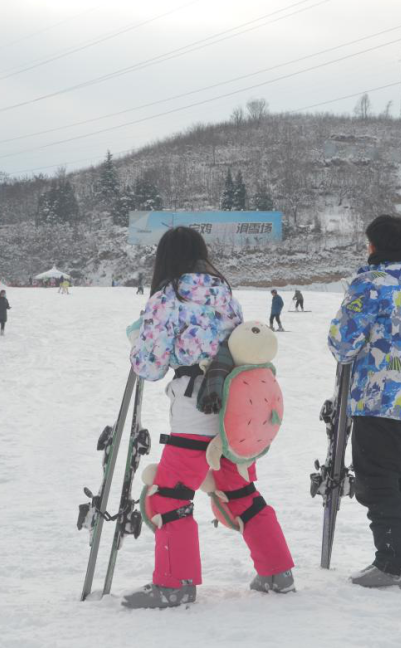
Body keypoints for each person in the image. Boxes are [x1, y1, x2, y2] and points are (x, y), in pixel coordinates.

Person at [124, 226, 295, 609]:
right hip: (233, 405)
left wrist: (137, 343)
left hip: (194, 405)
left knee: (170, 493)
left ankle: (175, 583)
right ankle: (276, 571)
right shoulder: (223, 291)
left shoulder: (168, 295)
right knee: (238, 490)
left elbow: (149, 366)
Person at [328, 214, 401, 591]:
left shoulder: (370, 282)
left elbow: (343, 343)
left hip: (381, 398)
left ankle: (396, 564)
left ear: (373, 245)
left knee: (377, 484)